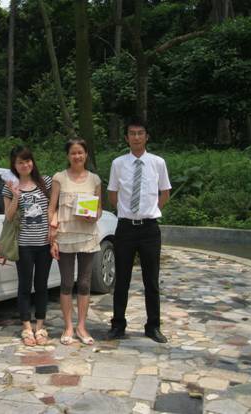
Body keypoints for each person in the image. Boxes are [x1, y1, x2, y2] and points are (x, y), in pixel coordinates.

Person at [106, 118, 171, 343]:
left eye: (140, 133)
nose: (136, 137)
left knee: (151, 280)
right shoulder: (118, 163)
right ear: (126, 138)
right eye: (132, 133)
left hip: (149, 229)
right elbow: (112, 194)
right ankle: (118, 325)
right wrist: (126, 212)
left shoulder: (158, 163)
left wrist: (150, 211)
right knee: (121, 279)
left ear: (146, 136)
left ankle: (153, 326)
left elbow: (165, 192)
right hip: (125, 228)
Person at [49, 139, 102, 346]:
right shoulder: (59, 178)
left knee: (85, 282)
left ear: (86, 154)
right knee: (66, 283)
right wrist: (52, 237)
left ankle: (81, 326)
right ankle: (68, 327)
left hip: (87, 236)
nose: (77, 156)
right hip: (64, 236)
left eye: (80, 152)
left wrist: (94, 216)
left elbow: (98, 209)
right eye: (73, 153)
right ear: (68, 155)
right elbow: (52, 208)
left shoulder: (95, 180)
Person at [2, 146, 53, 347]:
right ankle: (26, 327)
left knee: (42, 285)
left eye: (28, 160)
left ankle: (40, 326)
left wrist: (54, 232)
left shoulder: (45, 182)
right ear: (14, 165)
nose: (25, 165)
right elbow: (8, 216)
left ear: (33, 161)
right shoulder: (9, 187)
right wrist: (16, 196)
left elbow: (53, 209)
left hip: (44, 244)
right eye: (20, 162)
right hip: (23, 245)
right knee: (25, 285)